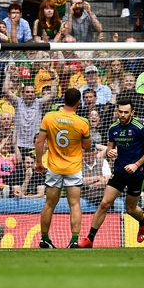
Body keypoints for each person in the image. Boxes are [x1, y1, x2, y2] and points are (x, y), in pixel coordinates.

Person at [79, 99, 144, 248]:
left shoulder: (140, 128)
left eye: (126, 112)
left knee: (130, 209)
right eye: (120, 111)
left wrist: (136, 164)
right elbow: (109, 149)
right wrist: (110, 152)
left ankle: (143, 222)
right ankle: (89, 239)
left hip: (137, 173)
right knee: (104, 203)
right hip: (119, 172)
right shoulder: (113, 128)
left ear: (132, 112)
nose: (122, 115)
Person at [34, 88, 92, 248]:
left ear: (63, 99)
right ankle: (74, 241)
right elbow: (87, 146)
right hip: (73, 169)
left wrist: (39, 162)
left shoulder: (50, 117)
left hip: (54, 168)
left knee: (49, 204)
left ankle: (44, 238)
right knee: (74, 204)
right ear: (78, 103)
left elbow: (39, 142)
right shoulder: (82, 122)